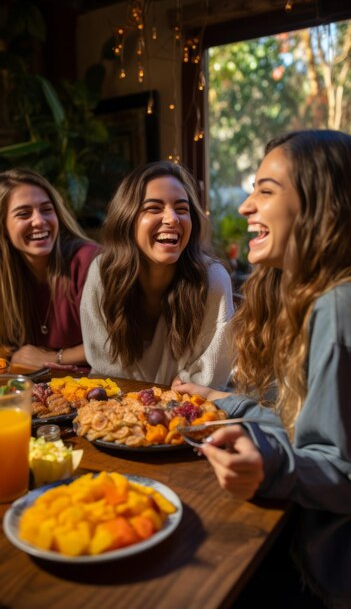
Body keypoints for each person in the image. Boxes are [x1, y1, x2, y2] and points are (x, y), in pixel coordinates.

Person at [172, 130, 351, 608]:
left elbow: (340, 469)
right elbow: (299, 425)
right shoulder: (304, 296)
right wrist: (220, 401)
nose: (247, 206)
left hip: (324, 573)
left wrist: (269, 464)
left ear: (320, 204)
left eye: (266, 190)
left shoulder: (337, 305)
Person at [80, 160, 234, 386]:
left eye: (182, 209)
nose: (172, 219)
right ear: (128, 218)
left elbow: (209, 377)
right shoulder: (103, 274)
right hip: (114, 409)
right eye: (154, 208)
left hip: (191, 412)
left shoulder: (213, 279)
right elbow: (106, 368)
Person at [0, 168, 99, 368]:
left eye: (46, 210)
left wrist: (56, 358)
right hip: (34, 389)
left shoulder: (89, 261)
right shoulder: (5, 275)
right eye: (24, 214)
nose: (39, 221)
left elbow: (117, 341)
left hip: (101, 387)